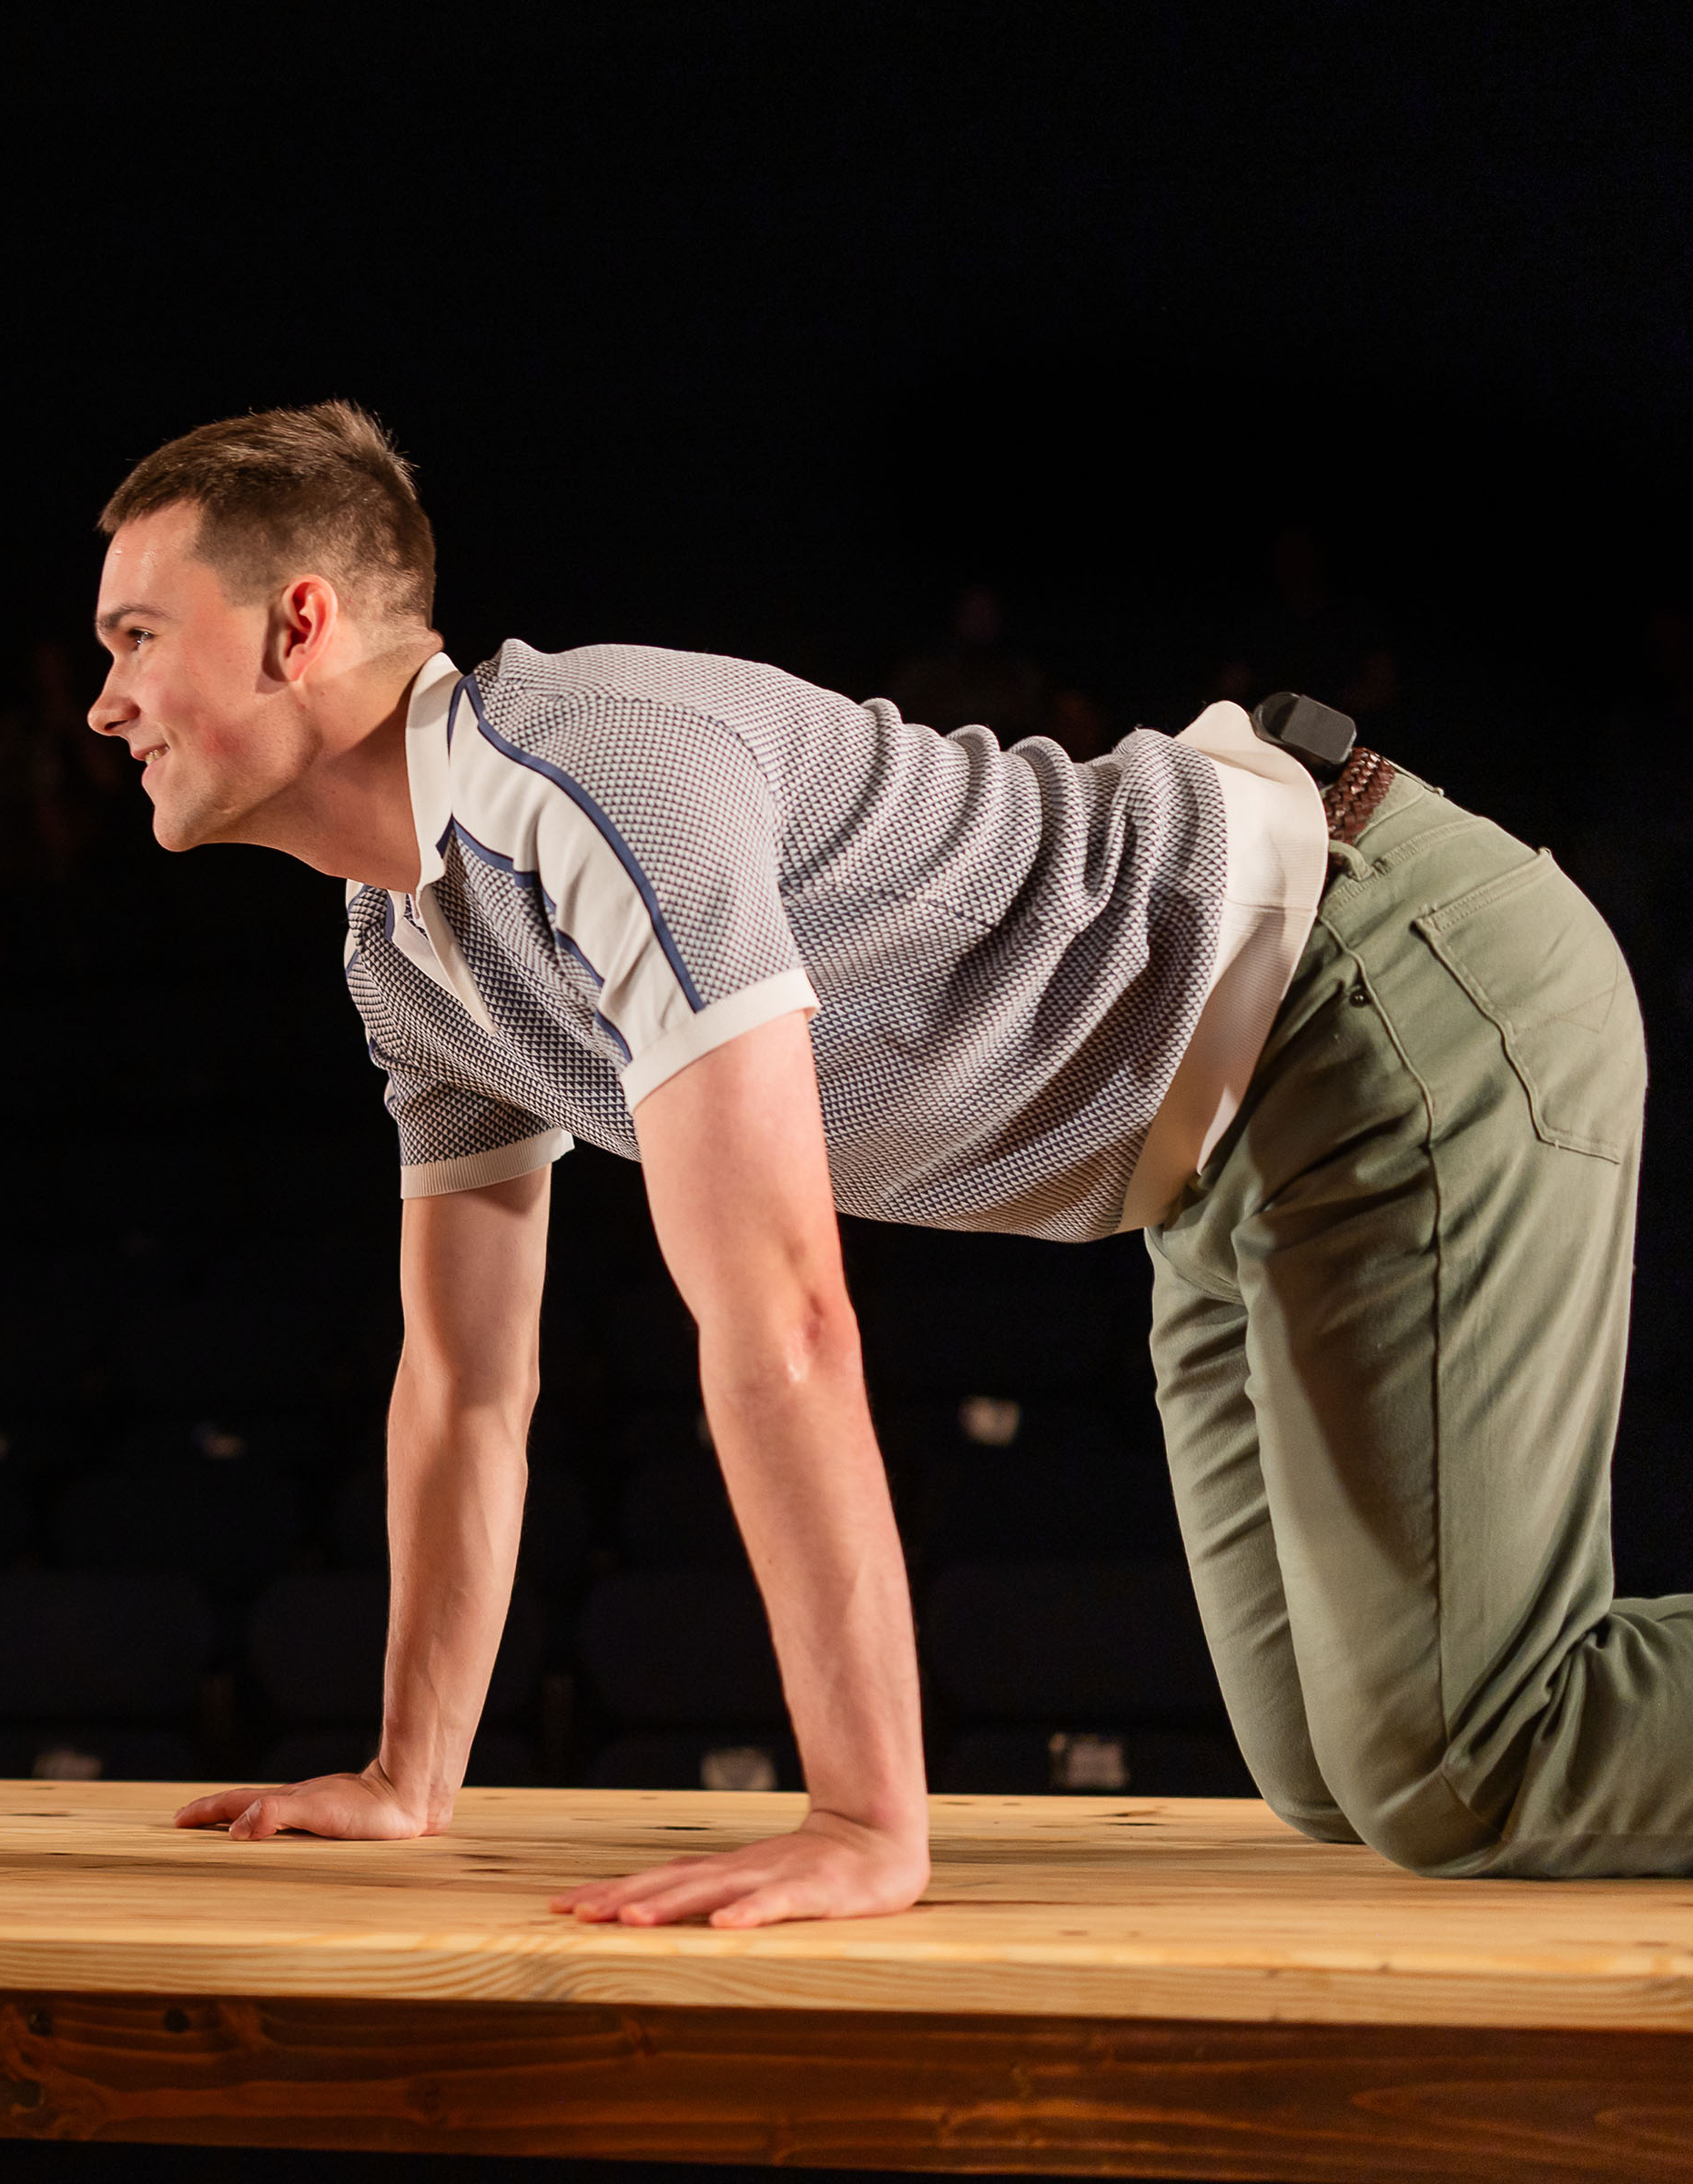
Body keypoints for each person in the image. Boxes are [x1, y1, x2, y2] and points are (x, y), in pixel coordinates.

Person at [97, 400, 1684, 1927]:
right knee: (1334, 1776)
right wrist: (407, 1776)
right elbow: (463, 1385)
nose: (106, 704)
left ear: (298, 628)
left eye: (138, 639)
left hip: (1381, 992)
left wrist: (865, 1825)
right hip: (1218, 1155)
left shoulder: (587, 777)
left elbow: (784, 1316)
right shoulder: (403, 951)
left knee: (1467, 1764)